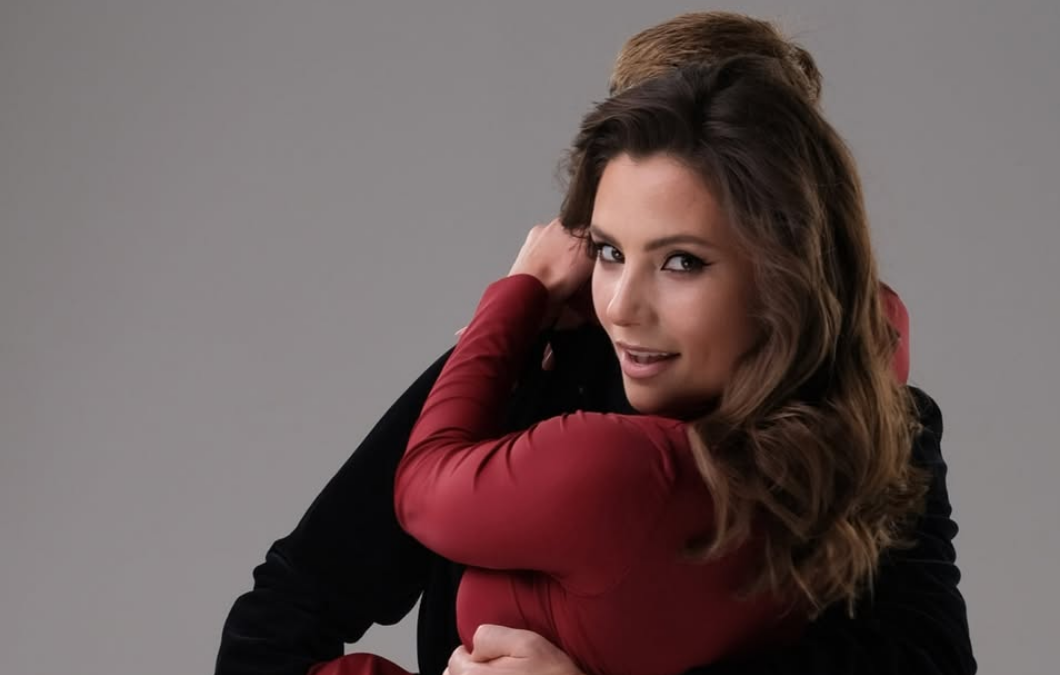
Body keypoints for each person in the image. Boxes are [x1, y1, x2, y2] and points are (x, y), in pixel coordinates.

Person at [215, 12, 974, 675]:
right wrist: (510, 320)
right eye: (614, 247)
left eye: (684, 257)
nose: (624, 305)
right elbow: (274, 631)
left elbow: (926, 661)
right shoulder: (517, 379)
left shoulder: (878, 428)